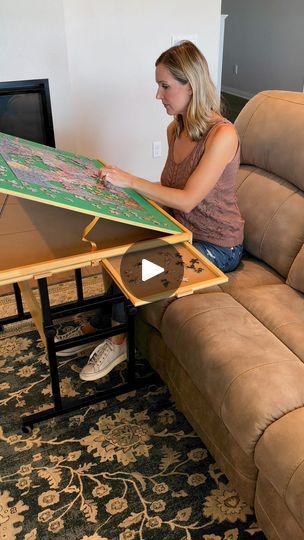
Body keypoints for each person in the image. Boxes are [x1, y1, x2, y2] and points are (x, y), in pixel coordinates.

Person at [56, 40, 244, 381]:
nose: (159, 95)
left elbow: (187, 199)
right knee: (117, 250)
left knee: (136, 267)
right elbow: (168, 193)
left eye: (165, 86)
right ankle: (94, 327)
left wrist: (129, 179)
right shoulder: (176, 129)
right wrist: (120, 198)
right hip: (179, 231)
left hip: (218, 245)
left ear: (191, 85)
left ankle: (116, 341)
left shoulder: (223, 135)